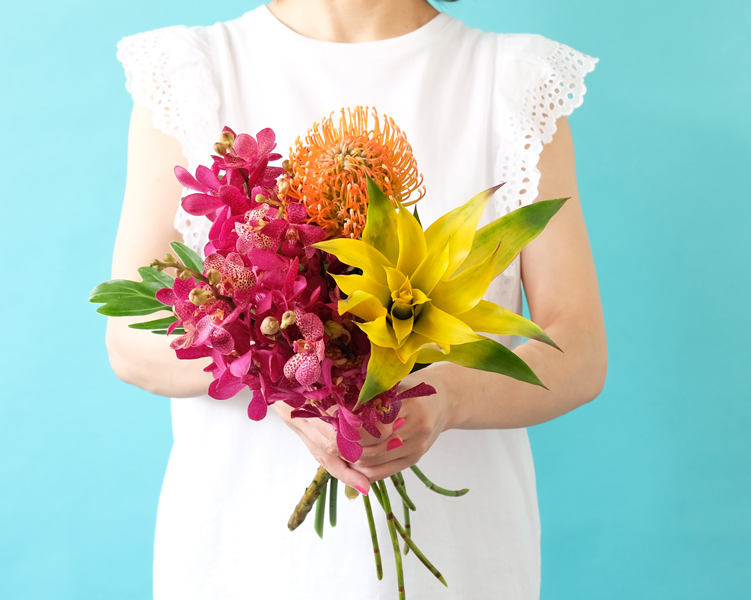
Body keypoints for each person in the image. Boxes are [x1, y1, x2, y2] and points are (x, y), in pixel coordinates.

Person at [106, 0, 607, 597]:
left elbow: (578, 351)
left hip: (459, 557)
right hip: (245, 555)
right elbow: (131, 340)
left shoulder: (512, 78)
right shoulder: (194, 71)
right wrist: (292, 389)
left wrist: (447, 400)